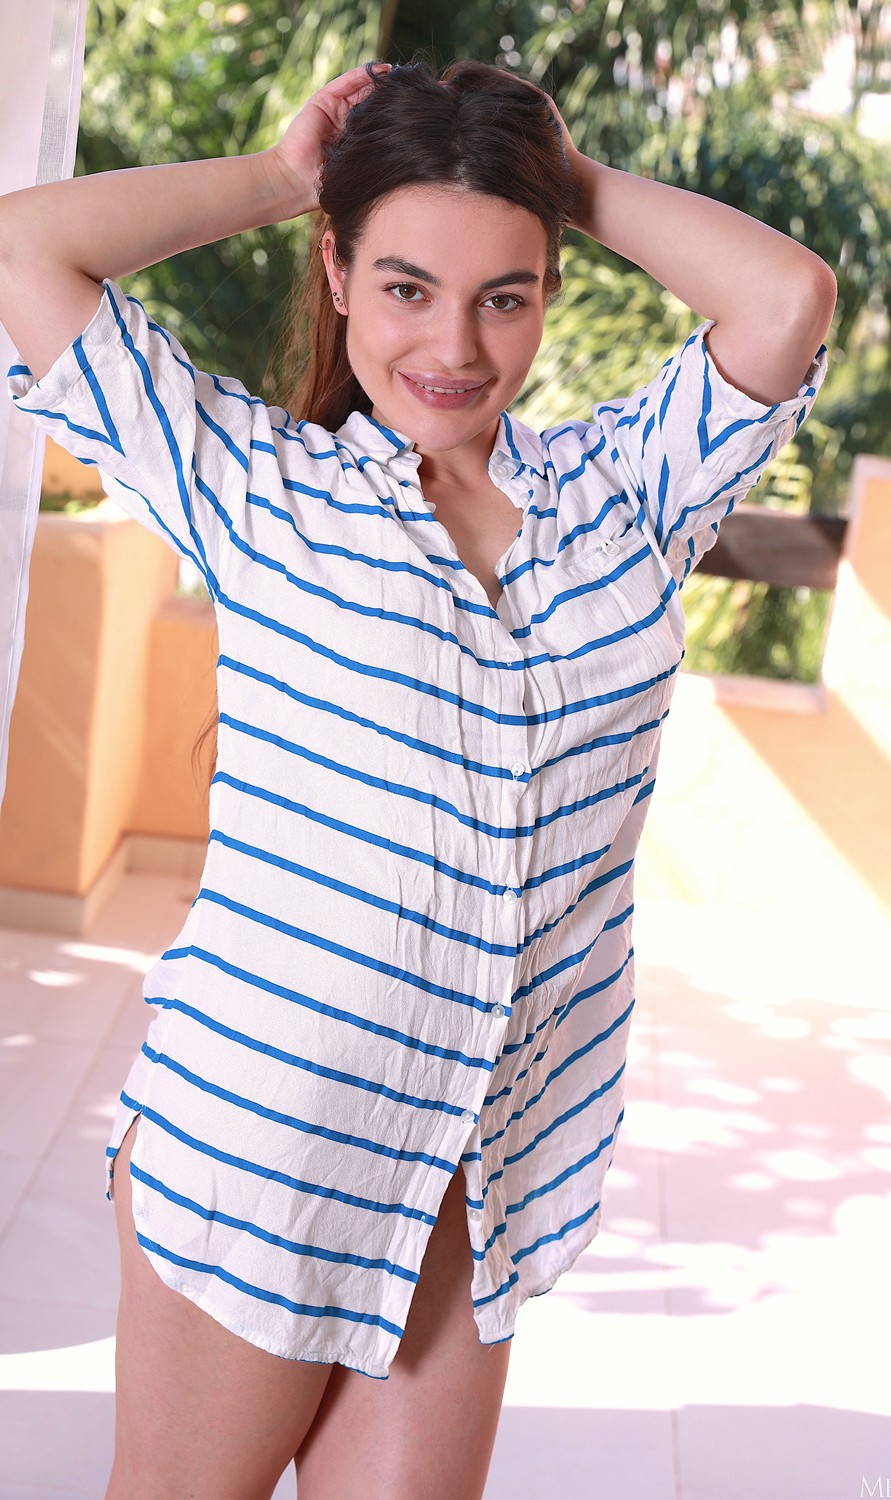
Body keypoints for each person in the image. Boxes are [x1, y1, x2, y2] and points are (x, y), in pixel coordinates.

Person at [0, 56, 835, 1500]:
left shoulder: (627, 498)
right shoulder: (258, 491)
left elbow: (786, 299)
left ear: (550, 287)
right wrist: (283, 177)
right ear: (335, 271)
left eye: (503, 295)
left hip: (470, 1174)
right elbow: (24, 246)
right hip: (258, 1149)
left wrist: (558, 177)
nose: (454, 343)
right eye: (405, 287)